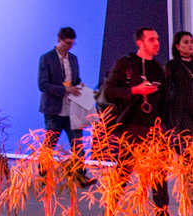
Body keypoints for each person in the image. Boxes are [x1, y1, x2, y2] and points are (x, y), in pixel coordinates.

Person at [101, 27, 168, 212]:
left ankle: (162, 210)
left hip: (154, 128)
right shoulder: (126, 63)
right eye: (152, 39)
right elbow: (108, 91)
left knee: (159, 171)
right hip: (132, 126)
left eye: (157, 39)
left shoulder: (157, 68)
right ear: (141, 43)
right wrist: (134, 90)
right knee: (124, 170)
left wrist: (164, 124)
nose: (157, 43)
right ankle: (110, 208)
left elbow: (163, 99)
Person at [37, 27, 94, 186]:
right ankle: (44, 174)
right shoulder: (46, 59)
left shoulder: (74, 59)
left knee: (77, 144)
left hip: (72, 110)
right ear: (59, 39)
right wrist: (64, 90)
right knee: (49, 144)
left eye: (72, 43)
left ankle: (80, 175)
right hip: (54, 110)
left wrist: (81, 88)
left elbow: (75, 79)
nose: (69, 46)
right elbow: (43, 85)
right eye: (67, 43)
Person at [167, 30, 193, 141]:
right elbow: (167, 89)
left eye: (191, 42)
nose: (190, 45)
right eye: (186, 42)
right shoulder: (172, 65)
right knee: (188, 141)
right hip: (183, 109)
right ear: (178, 46)